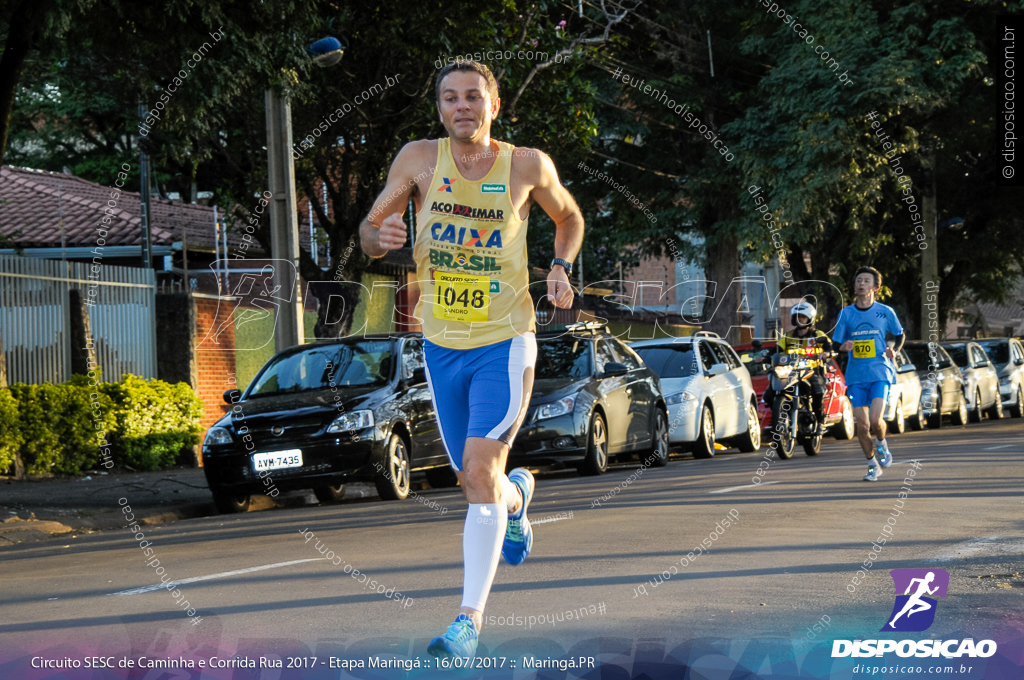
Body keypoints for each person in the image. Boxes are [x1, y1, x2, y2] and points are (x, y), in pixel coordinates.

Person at [359, 59, 584, 657]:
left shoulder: (527, 165)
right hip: (440, 344)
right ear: (440, 109)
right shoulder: (418, 159)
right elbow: (369, 226)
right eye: (450, 98)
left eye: (473, 98)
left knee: (478, 473)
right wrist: (377, 237)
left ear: (494, 105)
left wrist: (560, 268)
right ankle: (517, 499)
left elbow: (569, 217)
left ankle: (468, 623)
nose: (462, 107)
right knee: (472, 480)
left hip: (505, 341)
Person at [832, 266, 905, 481]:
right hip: (856, 376)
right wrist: (842, 347)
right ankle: (873, 465)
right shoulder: (846, 313)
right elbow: (835, 344)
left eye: (865, 280)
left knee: (875, 420)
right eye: (858, 280)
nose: (861, 284)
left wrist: (895, 350)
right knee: (862, 427)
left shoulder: (885, 311)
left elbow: (899, 335)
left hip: (880, 371)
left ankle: (882, 444)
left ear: (875, 287)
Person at [762, 301, 833, 435]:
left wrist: (826, 353)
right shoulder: (788, 336)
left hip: (811, 371)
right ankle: (781, 418)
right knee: (769, 394)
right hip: (791, 372)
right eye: (797, 317)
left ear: (810, 319)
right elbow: (777, 349)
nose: (800, 320)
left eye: (803, 317)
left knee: (817, 391)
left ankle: (820, 422)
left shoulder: (817, 335)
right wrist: (766, 357)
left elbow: (829, 347)